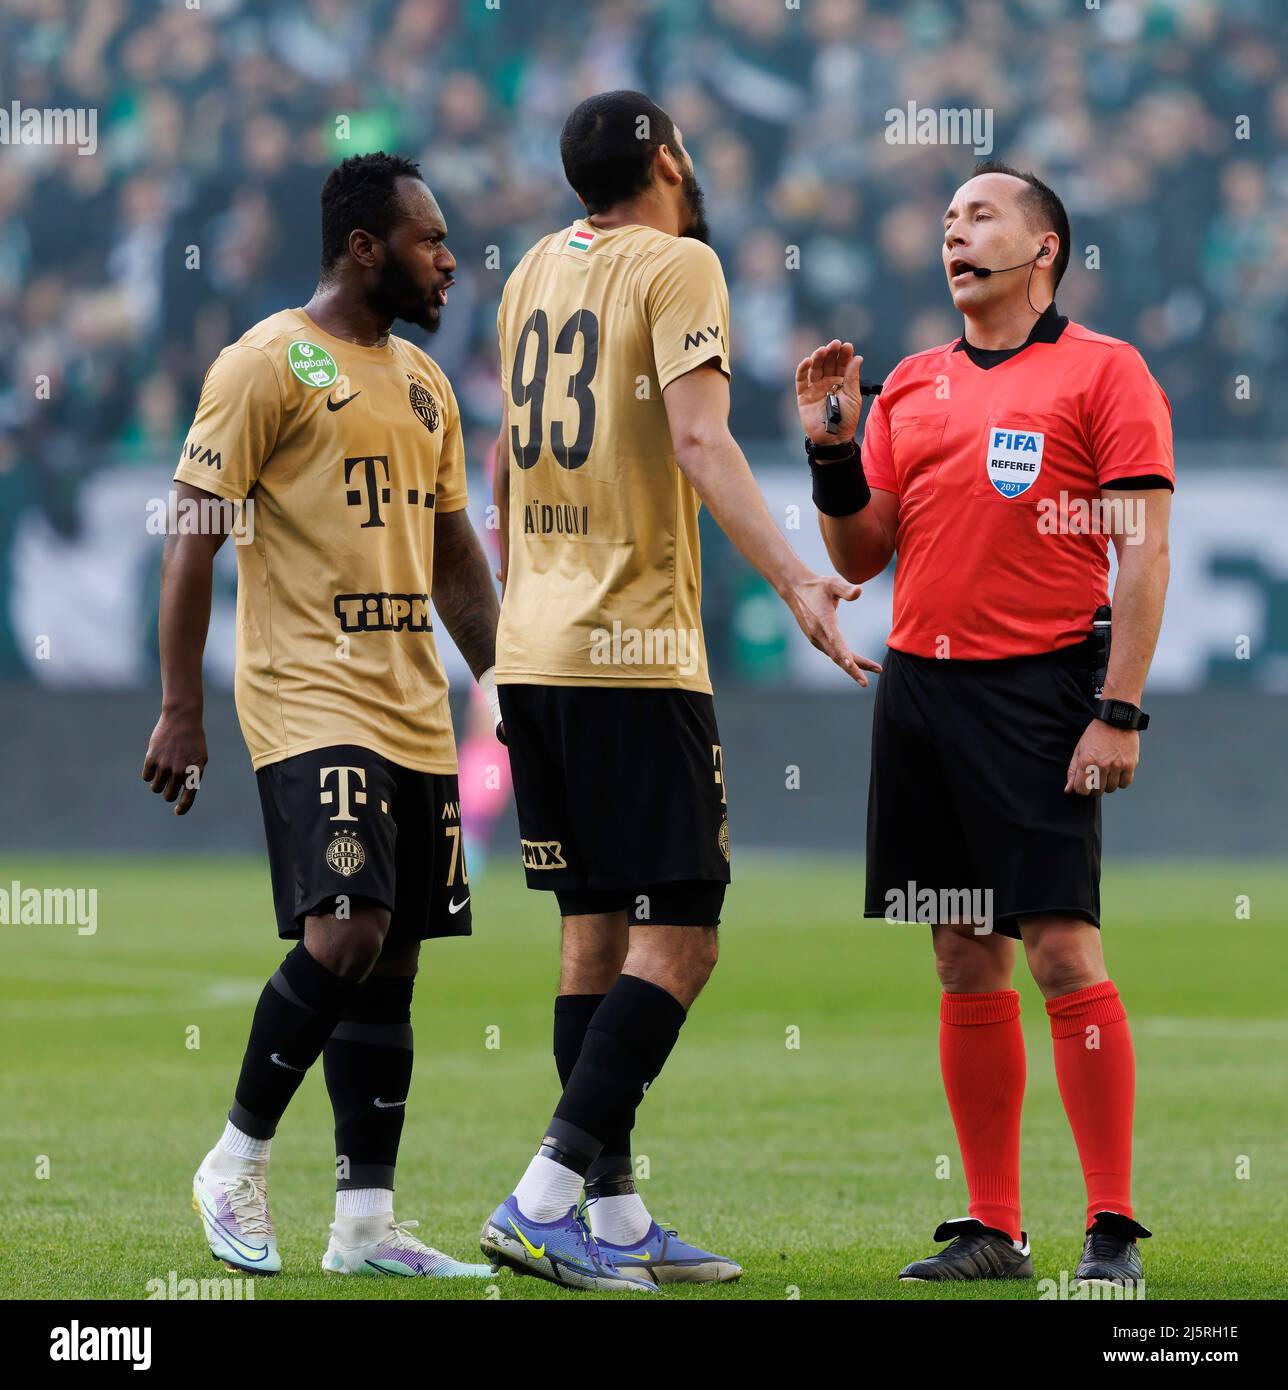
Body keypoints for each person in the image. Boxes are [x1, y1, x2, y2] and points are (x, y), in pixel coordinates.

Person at [480, 90, 881, 1292]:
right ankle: (541, 1194)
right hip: (629, 650)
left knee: (591, 932)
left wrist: (525, 577)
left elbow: (504, 452)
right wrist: (801, 581)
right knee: (686, 932)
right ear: (667, 159)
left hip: (538, 646)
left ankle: (609, 1218)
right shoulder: (680, 265)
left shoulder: (533, 271)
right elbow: (701, 442)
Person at [801, 162, 1172, 1287]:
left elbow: (1144, 552)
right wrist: (828, 446)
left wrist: (1117, 708)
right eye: (947, 219)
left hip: (1044, 689)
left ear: (1043, 248)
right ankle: (992, 1228)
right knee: (964, 955)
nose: (954, 233)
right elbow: (862, 554)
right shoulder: (911, 384)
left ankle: (1109, 1227)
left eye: (980, 215)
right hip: (923, 690)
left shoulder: (1105, 372)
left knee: (1060, 949)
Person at [143, 152, 500, 1279]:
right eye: (431, 240)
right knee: (341, 932)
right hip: (308, 696)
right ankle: (235, 1161)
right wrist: (178, 707)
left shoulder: (429, 387)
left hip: (411, 705)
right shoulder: (263, 364)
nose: (450, 261)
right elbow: (192, 535)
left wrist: (510, 691)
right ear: (364, 247)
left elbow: (454, 564)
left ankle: (365, 1220)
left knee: (389, 958)